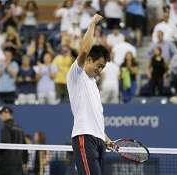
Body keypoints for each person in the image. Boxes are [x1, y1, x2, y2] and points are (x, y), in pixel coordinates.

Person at [66, 14, 116, 175]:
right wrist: (92, 24)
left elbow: (94, 116)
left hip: (98, 140)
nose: (100, 70)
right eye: (98, 65)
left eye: (103, 67)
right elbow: (84, 50)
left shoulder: (94, 84)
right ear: (88, 60)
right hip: (84, 137)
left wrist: (105, 137)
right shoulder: (76, 74)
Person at [0, 105, 25, 175]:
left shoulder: (5, 127)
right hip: (18, 167)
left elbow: (5, 144)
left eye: (1, 113)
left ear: (7, 113)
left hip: (6, 167)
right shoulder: (19, 128)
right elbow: (25, 147)